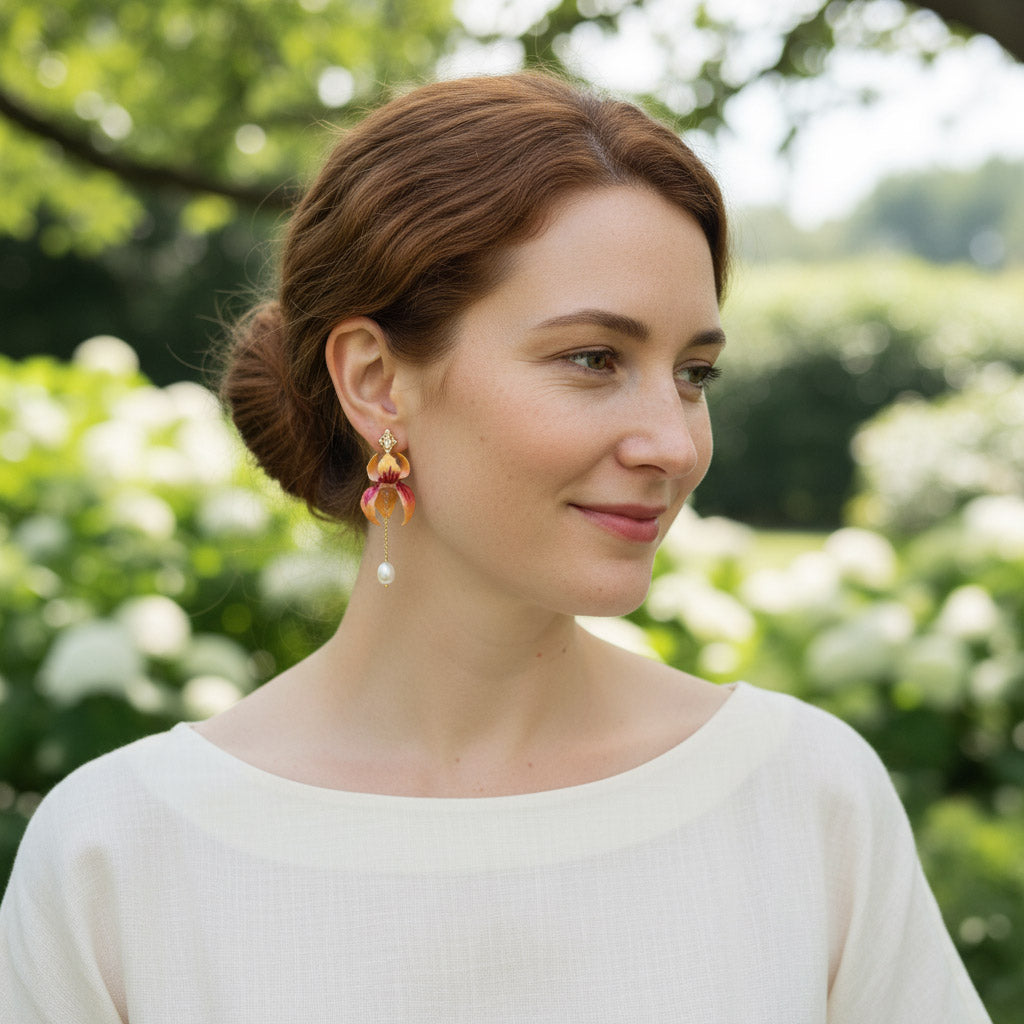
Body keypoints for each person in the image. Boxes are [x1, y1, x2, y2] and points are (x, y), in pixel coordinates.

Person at [0, 72, 991, 1023]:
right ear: (376, 381)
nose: (675, 444)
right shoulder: (117, 856)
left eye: (694, 373)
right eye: (593, 359)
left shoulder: (802, 800)